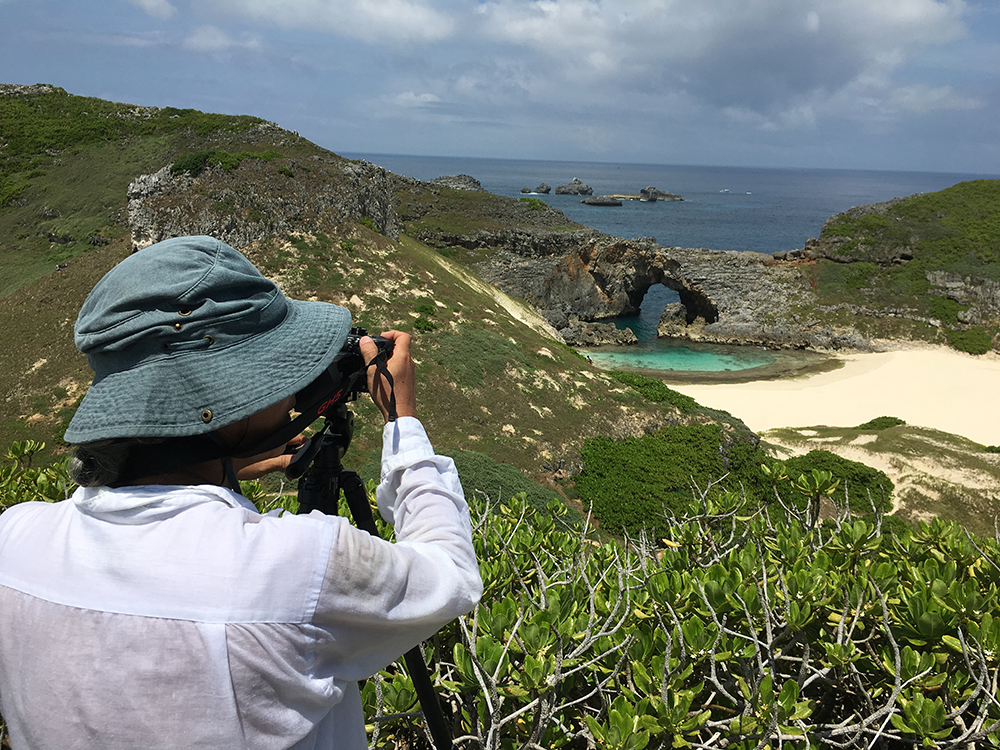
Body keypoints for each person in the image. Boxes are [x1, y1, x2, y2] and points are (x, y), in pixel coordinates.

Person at [0, 236, 482, 750]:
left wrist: (221, 465)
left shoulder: (16, 541)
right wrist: (402, 424)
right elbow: (450, 573)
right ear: (230, 401)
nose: (291, 391)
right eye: (275, 373)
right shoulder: (298, 564)